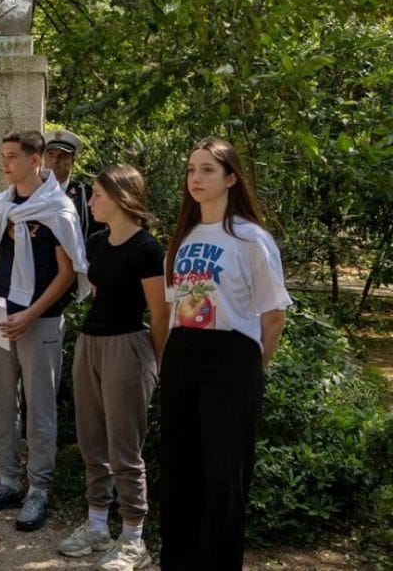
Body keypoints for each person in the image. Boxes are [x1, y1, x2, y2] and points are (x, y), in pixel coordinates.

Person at [161, 137, 291, 570]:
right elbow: (174, 305)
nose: (195, 178)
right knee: (179, 468)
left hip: (231, 358)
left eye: (207, 170)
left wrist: (250, 370)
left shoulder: (251, 239)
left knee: (223, 474)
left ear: (231, 178)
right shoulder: (184, 236)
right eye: (191, 169)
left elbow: (274, 315)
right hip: (182, 353)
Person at [0, 130, 87, 531]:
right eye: (2, 155)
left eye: (13, 156)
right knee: (0, 401)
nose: (5, 163)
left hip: (39, 320)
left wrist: (31, 314)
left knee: (39, 405)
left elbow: (67, 273)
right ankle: (7, 480)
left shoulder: (57, 208)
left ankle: (39, 488)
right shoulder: (0, 205)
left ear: (36, 160)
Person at [57, 166, 167, 570]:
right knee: (91, 441)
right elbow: (99, 293)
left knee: (124, 447)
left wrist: (156, 362)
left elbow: (160, 314)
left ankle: (134, 538)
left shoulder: (148, 250)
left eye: (98, 195)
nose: (90, 202)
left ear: (121, 198)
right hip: (90, 342)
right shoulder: (97, 242)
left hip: (128, 346)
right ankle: (97, 524)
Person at [44, 130, 104, 241]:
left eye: (62, 156)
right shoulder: (32, 190)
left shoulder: (86, 194)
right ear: (44, 159)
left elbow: (97, 233)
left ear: (73, 161)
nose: (55, 160)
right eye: (51, 155)